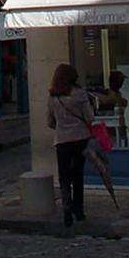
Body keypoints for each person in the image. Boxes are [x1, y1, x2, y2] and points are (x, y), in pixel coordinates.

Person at [46, 63, 94, 228]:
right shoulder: (80, 94)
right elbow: (89, 117)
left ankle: (67, 208)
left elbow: (49, 122)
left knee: (64, 177)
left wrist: (62, 126)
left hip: (62, 140)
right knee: (78, 175)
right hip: (80, 138)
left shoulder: (53, 97)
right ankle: (78, 211)